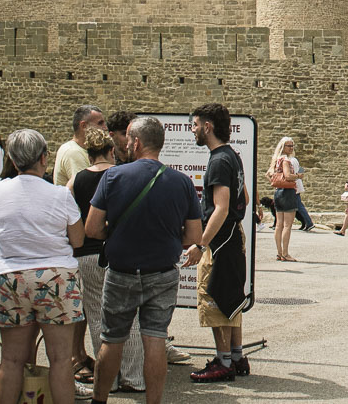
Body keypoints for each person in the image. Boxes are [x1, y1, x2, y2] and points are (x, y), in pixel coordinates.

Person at [86, 116, 202, 404]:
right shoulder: (182, 182)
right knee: (155, 339)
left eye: (127, 139)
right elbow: (193, 236)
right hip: (162, 272)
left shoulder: (112, 177)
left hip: (121, 271)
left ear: (136, 143)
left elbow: (92, 228)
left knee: (112, 339)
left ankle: (100, 399)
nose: (125, 144)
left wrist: (116, 233)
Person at [0, 129, 85, 404]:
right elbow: (78, 239)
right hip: (55, 275)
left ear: (13, 160)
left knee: (11, 359)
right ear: (44, 158)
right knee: (60, 359)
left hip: (9, 275)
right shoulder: (60, 195)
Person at [69, 128, 138, 391]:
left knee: (97, 315)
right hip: (118, 252)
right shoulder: (122, 175)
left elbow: (70, 216)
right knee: (129, 315)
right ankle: (133, 376)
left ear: (88, 155)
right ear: (111, 151)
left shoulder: (76, 181)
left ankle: (109, 378)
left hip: (86, 254)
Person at [186, 104, 250, 383]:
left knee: (213, 297)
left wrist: (200, 244)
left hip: (220, 242)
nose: (193, 130)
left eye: (195, 125)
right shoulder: (232, 156)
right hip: (233, 236)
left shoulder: (218, 161)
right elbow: (244, 198)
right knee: (231, 296)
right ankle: (236, 356)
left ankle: (223, 362)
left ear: (208, 127)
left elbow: (221, 208)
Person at [269, 138, 305, 262]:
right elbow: (288, 176)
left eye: (292, 145)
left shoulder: (276, 160)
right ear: (283, 147)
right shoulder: (285, 160)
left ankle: (279, 252)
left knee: (279, 224)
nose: (291, 148)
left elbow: (269, 174)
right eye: (288, 145)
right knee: (287, 225)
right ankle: (285, 253)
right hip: (288, 193)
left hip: (278, 192)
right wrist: (298, 176)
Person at [53, 104, 106, 187]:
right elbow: (86, 188)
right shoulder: (73, 152)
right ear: (84, 126)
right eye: (100, 123)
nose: (105, 128)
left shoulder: (84, 150)